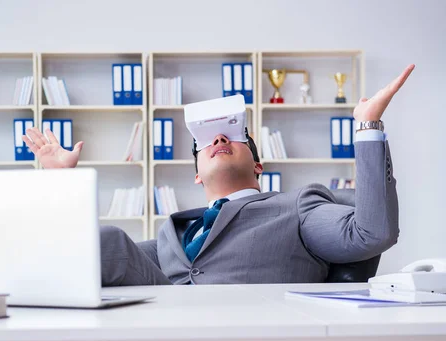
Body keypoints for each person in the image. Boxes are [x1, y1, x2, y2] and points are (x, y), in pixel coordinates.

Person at [22, 64, 415, 286]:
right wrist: (61, 183)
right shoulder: (171, 235)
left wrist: (368, 127)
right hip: (162, 333)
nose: (220, 138)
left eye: (234, 136)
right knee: (102, 244)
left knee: (107, 241)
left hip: (248, 336)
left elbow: (372, 233)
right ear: (196, 174)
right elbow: (85, 257)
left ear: (259, 166)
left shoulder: (297, 207)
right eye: (205, 142)